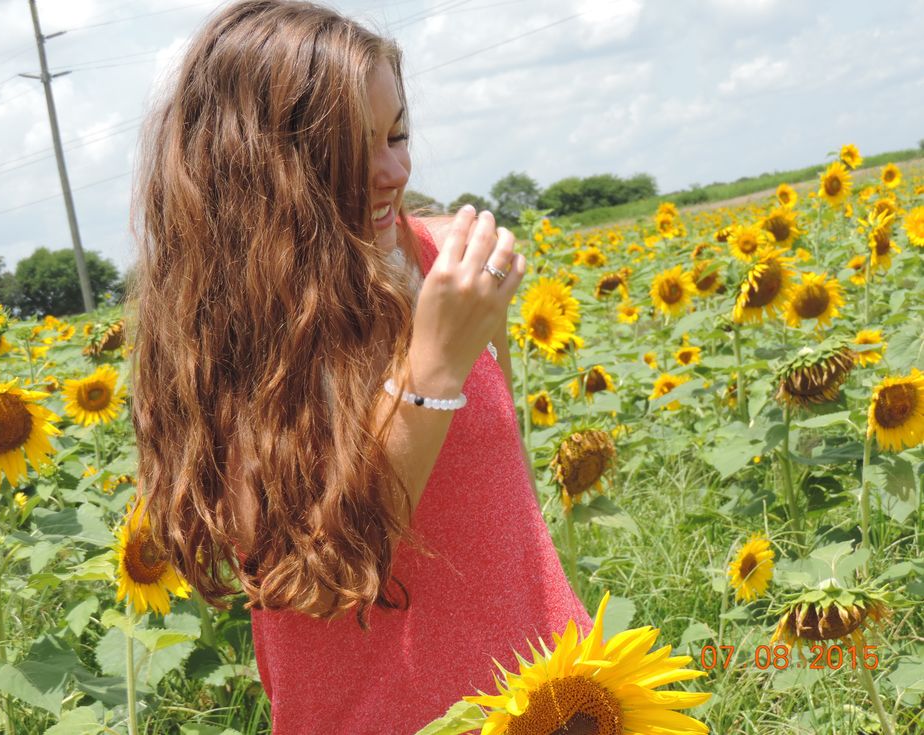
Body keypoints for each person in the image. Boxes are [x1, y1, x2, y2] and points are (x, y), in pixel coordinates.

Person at [128, 1, 592, 732]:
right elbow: (312, 576)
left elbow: (507, 502)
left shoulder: (440, 263)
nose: (395, 170)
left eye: (398, 135)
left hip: (557, 694)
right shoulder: (229, 335)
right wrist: (432, 369)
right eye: (350, 148)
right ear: (260, 166)